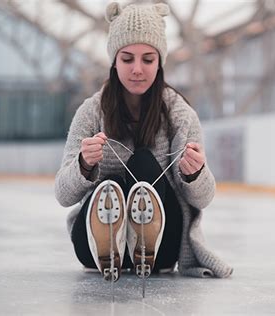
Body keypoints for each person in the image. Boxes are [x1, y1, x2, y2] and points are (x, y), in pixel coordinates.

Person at [55, 2, 232, 281]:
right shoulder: (91, 112)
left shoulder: (181, 115)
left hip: (162, 249)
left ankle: (144, 241)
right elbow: (63, 195)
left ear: (159, 62)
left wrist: (195, 173)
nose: (137, 69)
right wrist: (84, 165)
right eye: (127, 59)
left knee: (144, 164)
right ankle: (112, 239)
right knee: (107, 186)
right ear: (114, 60)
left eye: (147, 59)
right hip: (95, 251)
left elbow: (205, 197)